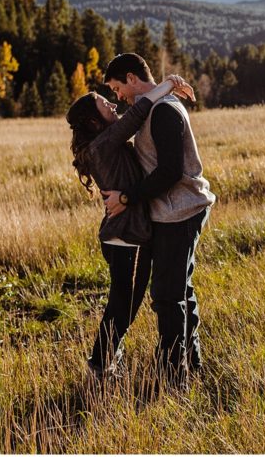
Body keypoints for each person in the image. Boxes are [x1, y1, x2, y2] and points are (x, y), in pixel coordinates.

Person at [65, 73, 195, 382]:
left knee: (123, 303)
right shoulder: (103, 143)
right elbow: (136, 115)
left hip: (125, 235)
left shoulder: (104, 143)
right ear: (93, 121)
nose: (110, 103)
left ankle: (106, 362)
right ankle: (100, 366)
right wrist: (168, 85)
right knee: (123, 306)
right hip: (126, 237)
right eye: (102, 102)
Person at [101, 52, 216, 390]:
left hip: (181, 212)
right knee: (180, 289)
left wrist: (126, 198)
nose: (117, 96)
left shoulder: (164, 110)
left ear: (132, 79)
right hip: (171, 212)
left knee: (167, 295)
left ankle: (171, 377)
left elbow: (169, 172)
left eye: (117, 87)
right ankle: (190, 365)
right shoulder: (152, 107)